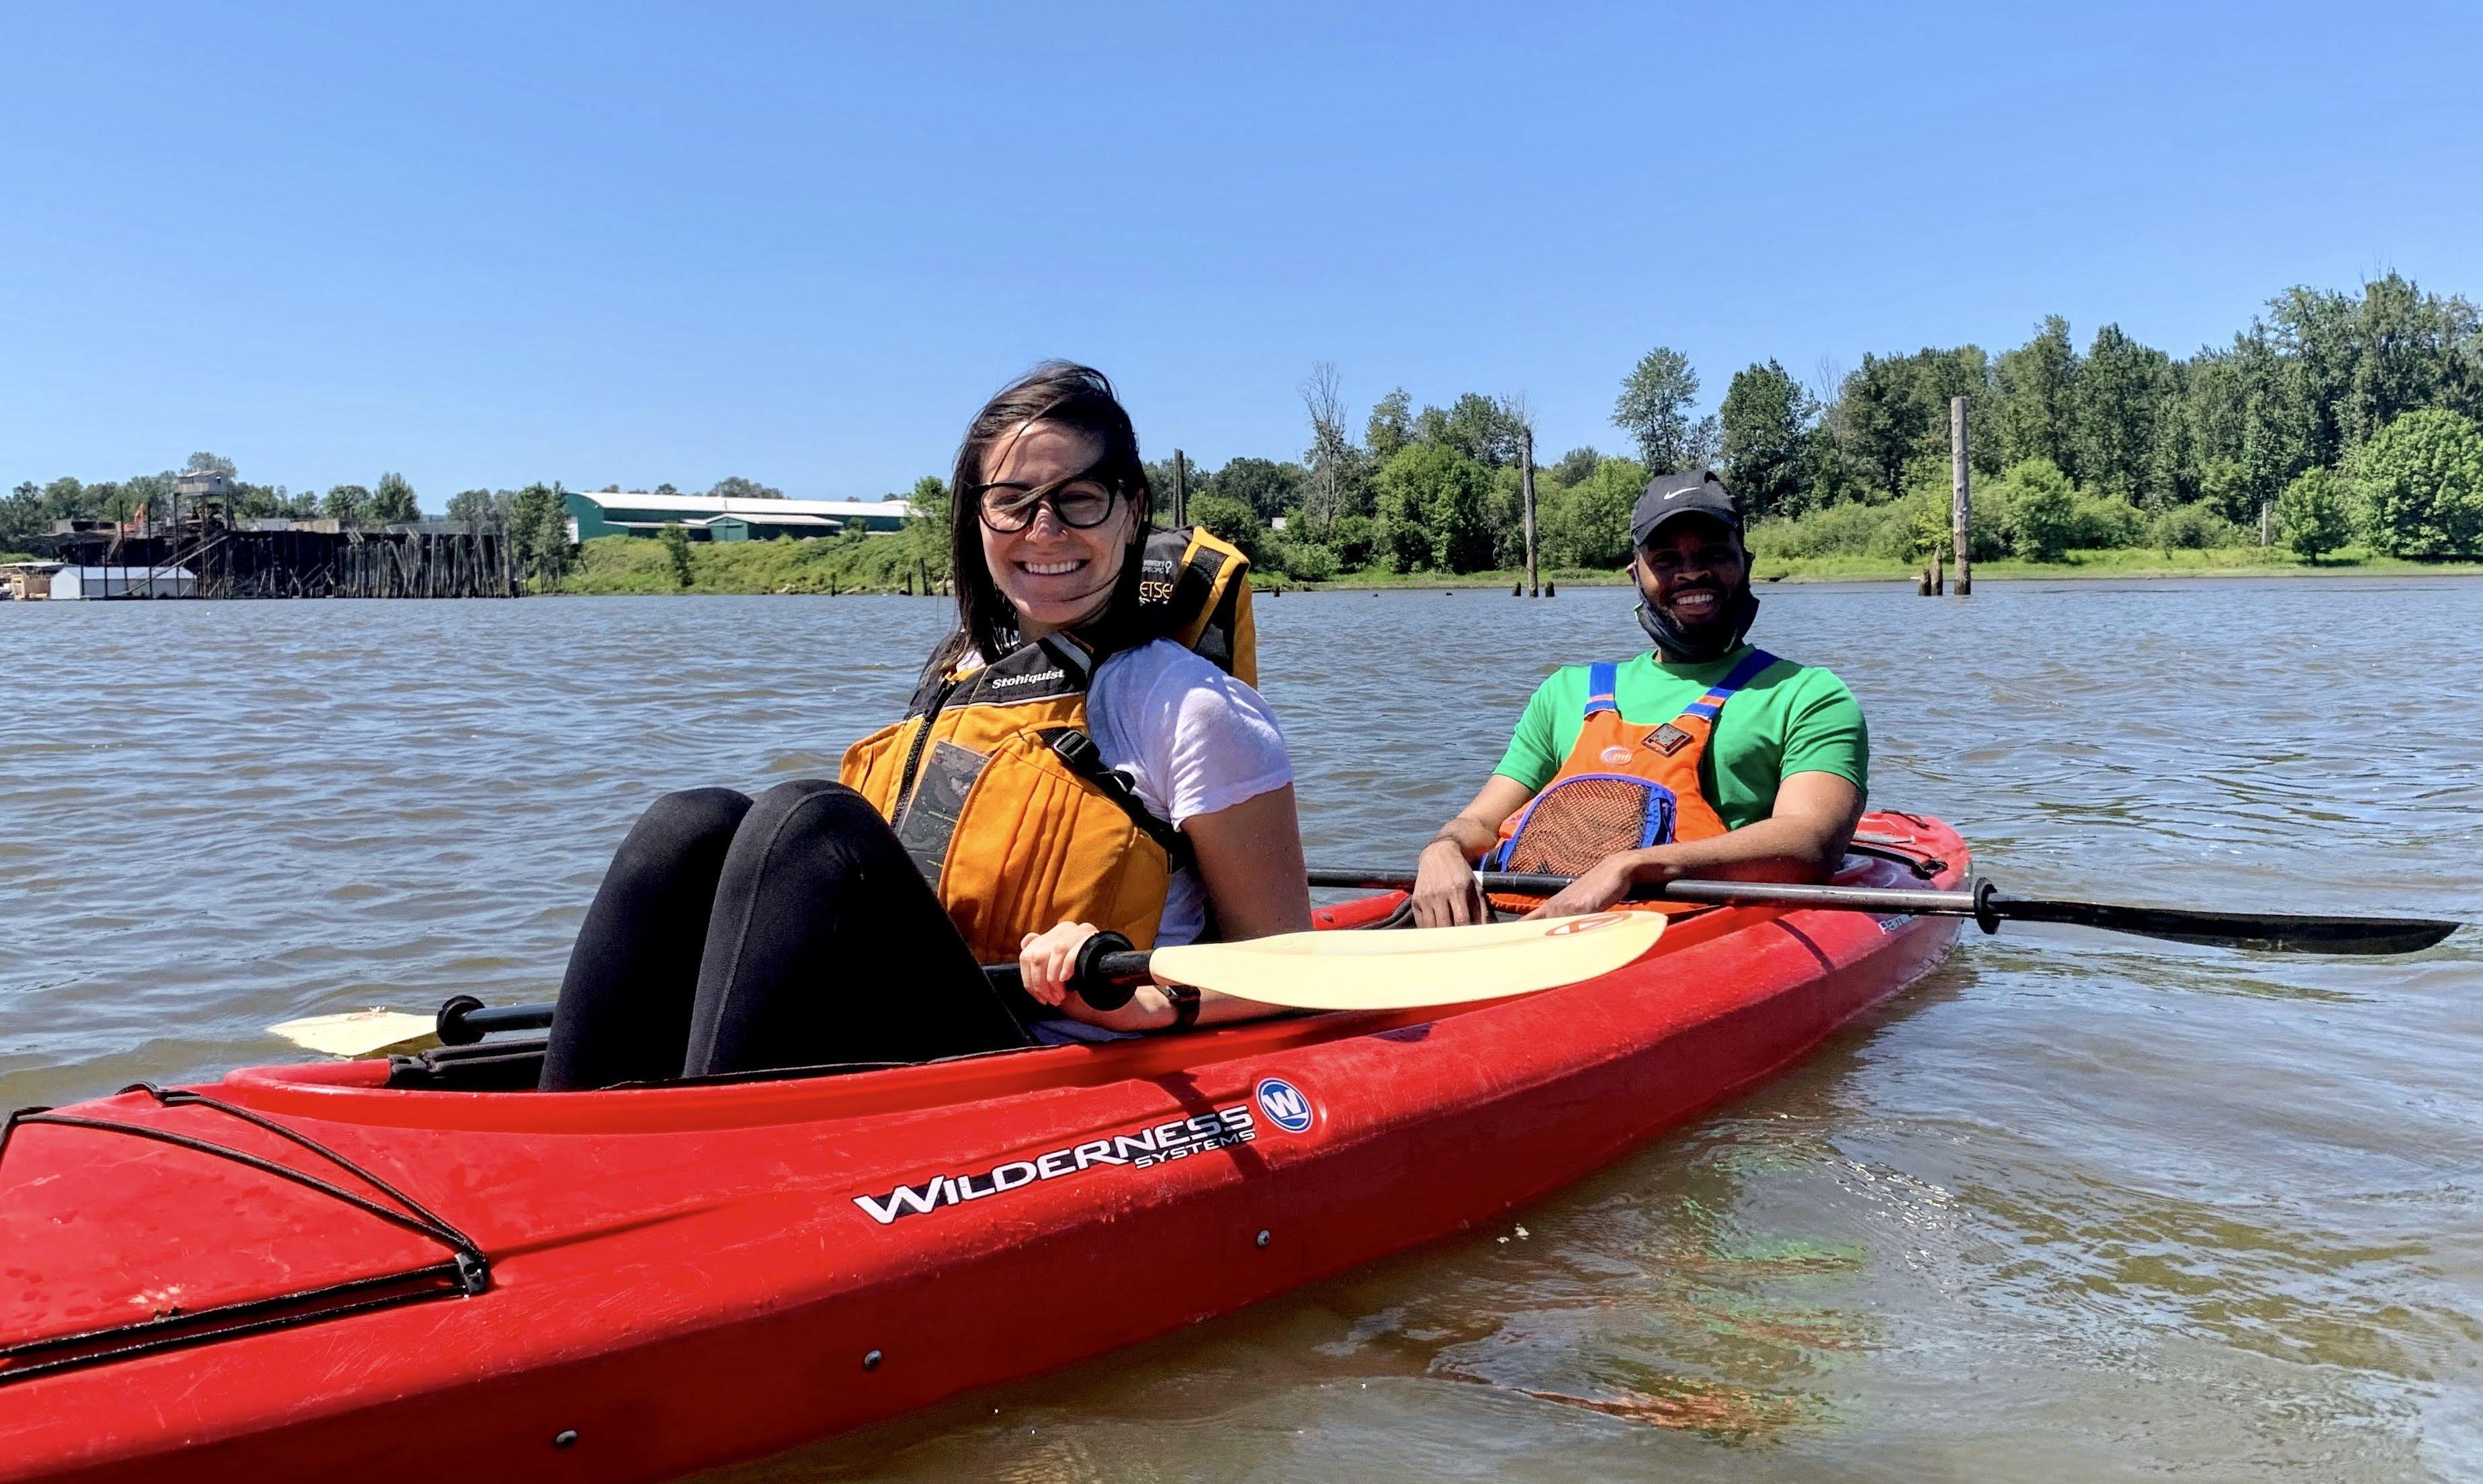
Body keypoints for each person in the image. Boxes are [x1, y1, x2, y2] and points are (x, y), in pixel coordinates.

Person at [541, 363, 1310, 1087]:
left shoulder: (1190, 707)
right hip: (927, 1030)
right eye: (1013, 500)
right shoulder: (965, 676)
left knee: (810, 824)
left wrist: (1135, 994)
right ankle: (556, 1135)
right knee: (692, 824)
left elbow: (1286, 968)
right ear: (977, 517)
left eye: (1079, 498)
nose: (1044, 529)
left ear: (1133, 507)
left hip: (1046, 1070)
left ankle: (715, 1153)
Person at [1411, 468, 1867, 926]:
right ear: (1636, 573)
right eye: (1666, 559)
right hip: (1535, 918)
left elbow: (1812, 843)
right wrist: (1443, 847)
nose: (1691, 572)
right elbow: (1483, 823)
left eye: (1713, 553)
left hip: (1694, 929)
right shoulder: (1565, 691)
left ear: (1745, 562)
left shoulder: (1809, 695)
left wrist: (1630, 865)